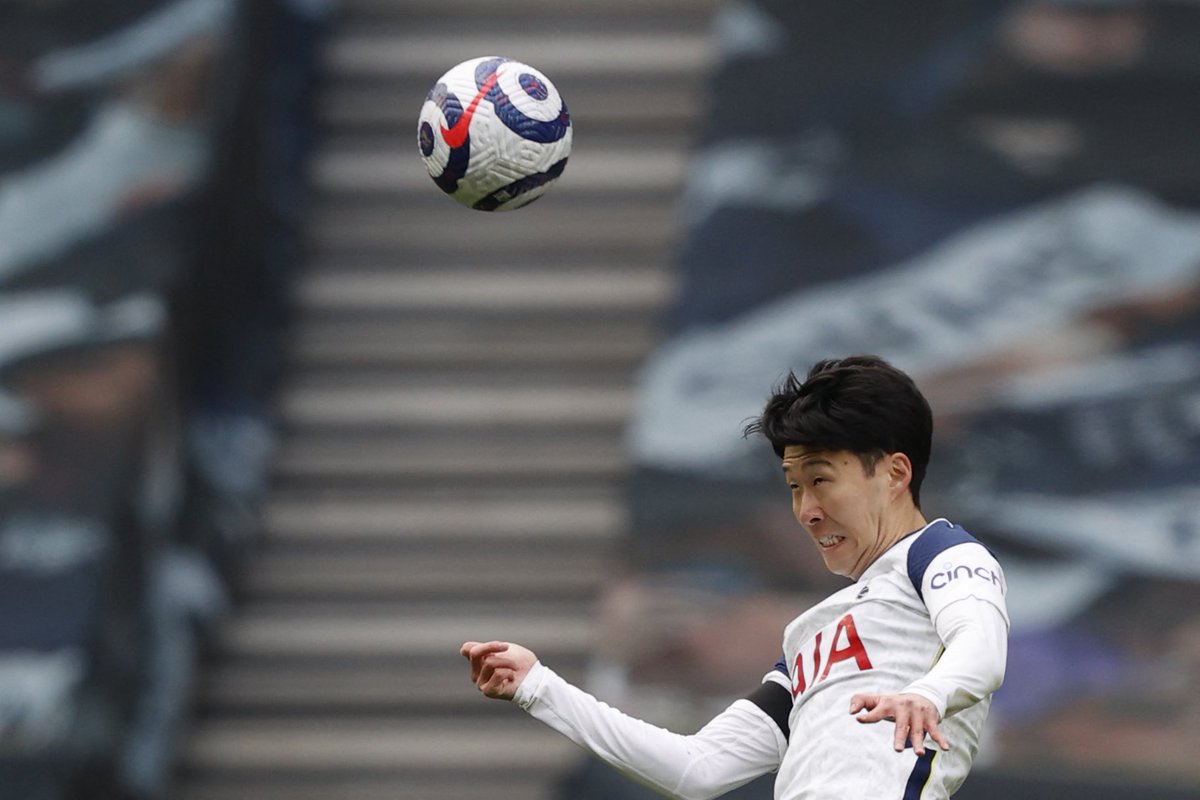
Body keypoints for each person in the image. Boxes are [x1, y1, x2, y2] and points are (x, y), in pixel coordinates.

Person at [461, 355, 1009, 800]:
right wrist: (539, 687)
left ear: (894, 473)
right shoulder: (810, 635)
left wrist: (927, 694)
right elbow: (698, 769)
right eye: (794, 487)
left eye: (821, 481)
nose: (807, 511)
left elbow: (980, 646)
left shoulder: (941, 554)